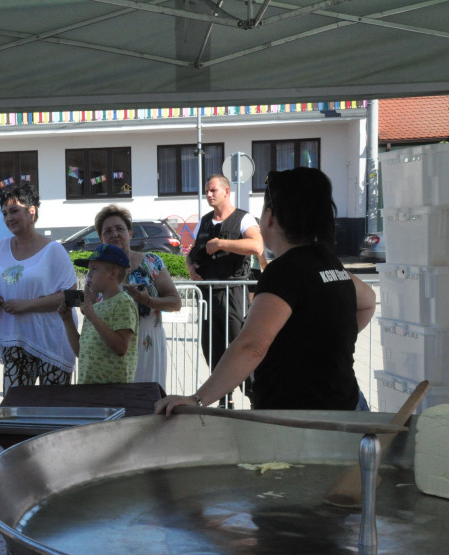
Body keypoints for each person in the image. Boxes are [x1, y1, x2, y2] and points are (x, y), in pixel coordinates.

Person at [157, 168, 376, 416]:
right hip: (348, 404)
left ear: (270, 217)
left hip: (300, 419)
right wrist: (326, 344)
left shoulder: (284, 272)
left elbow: (251, 347)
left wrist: (197, 399)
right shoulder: (329, 263)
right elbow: (369, 301)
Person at [0, 183, 77, 388]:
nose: (8, 218)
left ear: (31, 212)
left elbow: (69, 296)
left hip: (51, 341)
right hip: (14, 338)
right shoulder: (2, 246)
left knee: (52, 409)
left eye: (14, 211)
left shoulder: (54, 250)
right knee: (16, 407)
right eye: (4, 213)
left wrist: (25, 306)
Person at [187, 174, 263, 408]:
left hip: (233, 293)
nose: (209, 195)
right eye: (207, 191)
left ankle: (255, 397)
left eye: (213, 191)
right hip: (209, 294)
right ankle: (224, 397)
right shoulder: (205, 221)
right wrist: (191, 267)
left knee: (239, 345)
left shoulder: (243, 218)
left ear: (227, 192)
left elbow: (256, 245)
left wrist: (221, 243)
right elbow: (192, 252)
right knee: (211, 347)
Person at [95, 205, 182, 388]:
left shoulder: (151, 262)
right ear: (101, 238)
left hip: (147, 346)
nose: (114, 234)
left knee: (148, 404)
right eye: (108, 231)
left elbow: (175, 302)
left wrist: (148, 301)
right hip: (111, 349)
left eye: (120, 228)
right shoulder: (95, 271)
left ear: (130, 233)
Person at [59, 244, 138, 384]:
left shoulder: (123, 302)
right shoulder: (95, 306)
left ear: (113, 273)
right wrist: (67, 321)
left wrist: (92, 316)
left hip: (112, 392)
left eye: (94, 269)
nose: (88, 275)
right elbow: (80, 352)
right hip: (88, 388)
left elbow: (121, 348)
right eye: (89, 270)